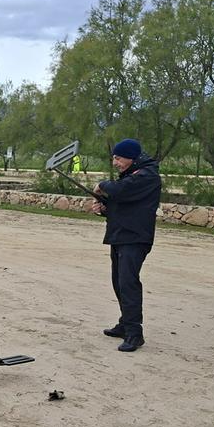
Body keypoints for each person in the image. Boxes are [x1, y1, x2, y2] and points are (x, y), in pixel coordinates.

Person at [92, 138, 162, 352]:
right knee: (118, 282)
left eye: (118, 158)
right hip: (120, 235)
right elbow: (122, 203)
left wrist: (103, 185)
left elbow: (122, 191)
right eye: (114, 158)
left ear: (131, 157)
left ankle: (134, 333)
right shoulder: (131, 174)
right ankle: (125, 324)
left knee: (128, 283)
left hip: (135, 238)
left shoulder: (147, 175)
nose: (115, 162)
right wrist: (103, 207)